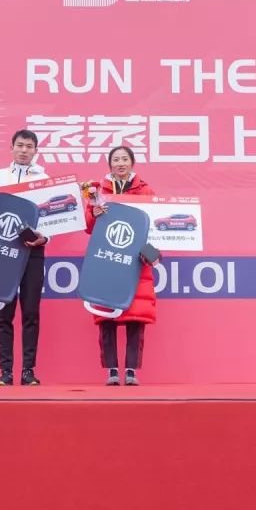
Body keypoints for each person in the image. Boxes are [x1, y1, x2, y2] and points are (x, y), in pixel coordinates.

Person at [0, 129, 49, 386]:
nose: (24, 150)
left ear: (36, 151)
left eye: (29, 146)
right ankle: (5, 371)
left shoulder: (45, 180)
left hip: (33, 250)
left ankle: (28, 371)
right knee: (3, 311)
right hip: (1, 249)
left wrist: (44, 238)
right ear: (12, 147)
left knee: (31, 312)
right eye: (20, 145)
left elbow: (53, 219)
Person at [84, 145, 157, 386]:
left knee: (136, 316)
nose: (120, 163)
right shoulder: (98, 191)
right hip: (106, 258)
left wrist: (154, 254)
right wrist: (94, 213)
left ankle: (132, 370)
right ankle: (112, 370)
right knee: (106, 316)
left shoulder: (145, 190)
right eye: (116, 160)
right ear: (110, 164)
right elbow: (89, 227)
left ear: (132, 162)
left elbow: (154, 227)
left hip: (135, 261)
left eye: (125, 159)